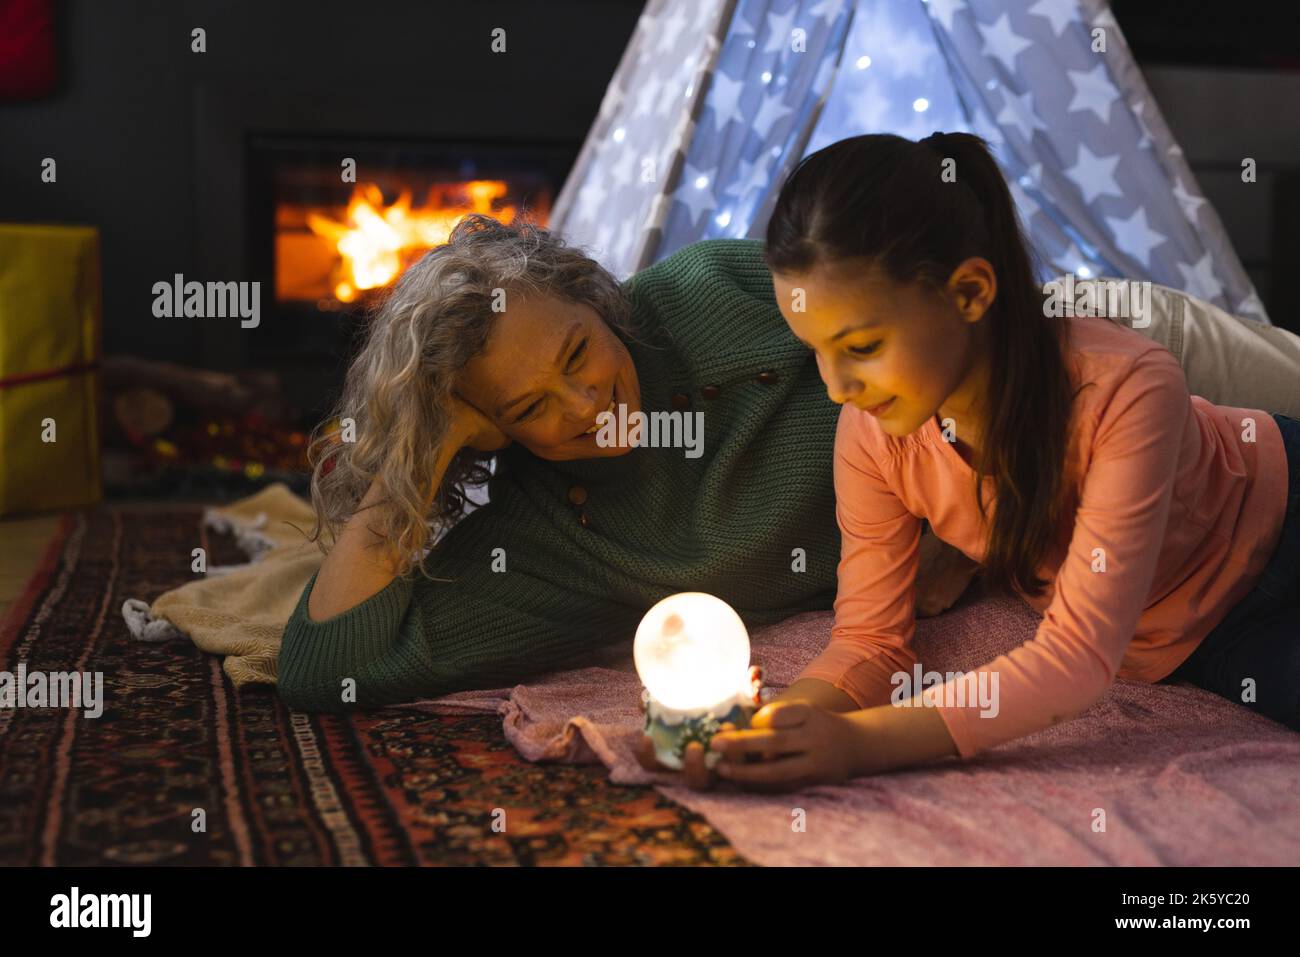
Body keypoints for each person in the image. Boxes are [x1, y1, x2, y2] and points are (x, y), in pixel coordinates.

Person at [678, 131, 1300, 793]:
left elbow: (1077, 655)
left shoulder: (1126, 386)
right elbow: (869, 640)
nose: (836, 387)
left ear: (969, 292)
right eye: (817, 352)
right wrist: (779, 727)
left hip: (1283, 502)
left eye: (861, 345)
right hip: (1204, 633)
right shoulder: (872, 435)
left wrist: (858, 743)